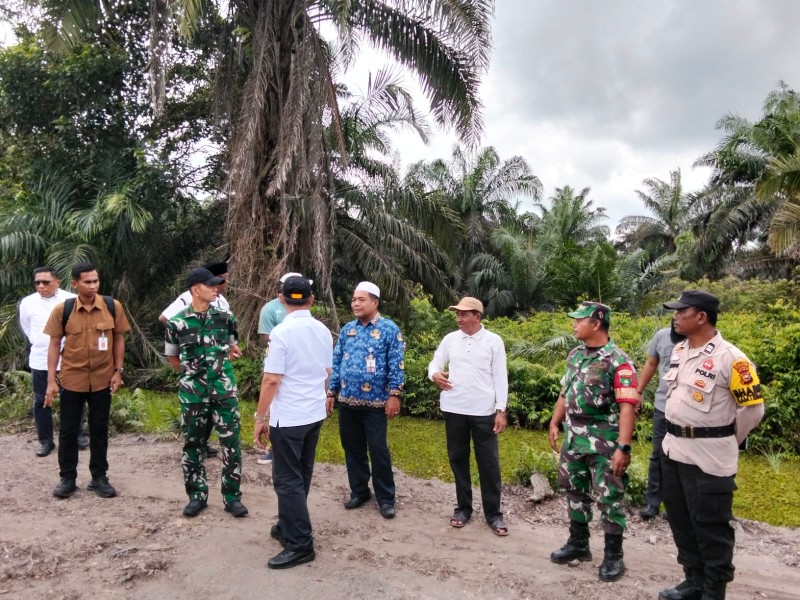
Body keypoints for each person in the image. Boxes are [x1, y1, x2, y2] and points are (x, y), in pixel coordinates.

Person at [658, 291, 765, 600]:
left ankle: (713, 591)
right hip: (674, 450)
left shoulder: (732, 359)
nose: (675, 316)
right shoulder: (680, 350)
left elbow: (753, 410)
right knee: (681, 522)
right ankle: (693, 581)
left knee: (711, 529)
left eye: (681, 312)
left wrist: (726, 440)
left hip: (709, 459)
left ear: (701, 317)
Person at [548, 301, 638, 583]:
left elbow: (627, 407)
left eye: (579, 320)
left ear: (596, 324)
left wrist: (623, 447)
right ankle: (579, 544)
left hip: (604, 440)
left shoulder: (618, 362)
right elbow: (566, 391)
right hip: (574, 437)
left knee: (609, 496)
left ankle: (613, 556)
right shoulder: (575, 355)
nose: (574, 325)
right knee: (574, 490)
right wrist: (554, 421)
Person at [254, 275, 333, 569]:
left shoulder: (281, 333)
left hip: (289, 418)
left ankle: (301, 544)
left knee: (287, 480)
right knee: (301, 474)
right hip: (313, 414)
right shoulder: (323, 331)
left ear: (281, 298)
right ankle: (289, 526)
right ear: (311, 300)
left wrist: (260, 418)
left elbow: (272, 379)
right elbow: (327, 372)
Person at [164, 267, 247, 518]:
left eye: (216, 285)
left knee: (231, 445)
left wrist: (224, 362)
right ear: (195, 290)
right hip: (193, 395)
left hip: (223, 391)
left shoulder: (225, 317)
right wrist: (192, 378)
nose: (215, 288)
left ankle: (232, 497)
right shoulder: (176, 322)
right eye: (210, 285)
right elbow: (173, 358)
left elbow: (233, 346)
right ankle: (197, 495)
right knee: (193, 444)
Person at [44, 262, 131, 499]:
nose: (93, 286)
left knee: (99, 429)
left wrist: (118, 371)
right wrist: (51, 380)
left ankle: (99, 477)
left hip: (103, 379)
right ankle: (68, 478)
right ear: (75, 284)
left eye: (96, 281)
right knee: (69, 430)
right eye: (87, 282)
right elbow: (53, 345)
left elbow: (119, 339)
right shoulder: (64, 310)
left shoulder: (112, 307)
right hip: (72, 379)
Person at [428, 297, 509, 536]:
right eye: (457, 315)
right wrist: (434, 375)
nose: (458, 319)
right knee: (458, 459)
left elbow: (500, 377)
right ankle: (463, 508)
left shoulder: (493, 341)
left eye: (463, 314)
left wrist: (500, 410)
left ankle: (493, 514)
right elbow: (435, 362)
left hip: (483, 411)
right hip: (453, 408)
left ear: (477, 315)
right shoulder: (450, 339)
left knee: (489, 463)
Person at [328, 281, 405, 519]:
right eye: (353, 299)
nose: (355, 303)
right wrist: (331, 392)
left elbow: (397, 364)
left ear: (375, 302)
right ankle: (359, 491)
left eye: (361, 299)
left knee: (378, 450)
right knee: (352, 448)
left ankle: (385, 498)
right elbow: (337, 360)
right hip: (348, 401)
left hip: (375, 404)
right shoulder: (348, 329)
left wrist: (394, 394)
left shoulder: (389, 329)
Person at [160, 260, 235, 459]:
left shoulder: (221, 303)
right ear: (198, 288)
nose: (222, 284)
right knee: (195, 416)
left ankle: (204, 443)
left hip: (218, 375)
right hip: (194, 372)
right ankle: (197, 447)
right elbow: (166, 318)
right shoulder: (186, 300)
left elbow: (228, 333)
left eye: (221, 281)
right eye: (220, 280)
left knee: (216, 413)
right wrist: (188, 335)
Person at [18, 267, 88, 457]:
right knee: (41, 400)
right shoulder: (28, 303)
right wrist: (39, 341)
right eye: (37, 282)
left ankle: (76, 436)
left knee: (74, 398)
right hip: (40, 358)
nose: (41, 286)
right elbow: (26, 327)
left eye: (46, 282)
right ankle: (46, 441)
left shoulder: (71, 300)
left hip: (69, 359)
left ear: (57, 282)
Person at [255, 271, 303, 466]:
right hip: (276, 363)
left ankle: (293, 449)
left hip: (297, 365)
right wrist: (285, 340)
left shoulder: (300, 307)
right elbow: (265, 337)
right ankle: (273, 449)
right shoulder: (270, 309)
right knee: (274, 404)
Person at [637, 325, 684, 520]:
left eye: (681, 313)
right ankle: (652, 502)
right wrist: (638, 391)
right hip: (662, 407)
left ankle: (678, 505)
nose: (676, 317)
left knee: (683, 459)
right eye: (675, 313)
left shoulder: (700, 342)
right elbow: (651, 363)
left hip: (688, 413)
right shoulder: (662, 336)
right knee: (658, 455)